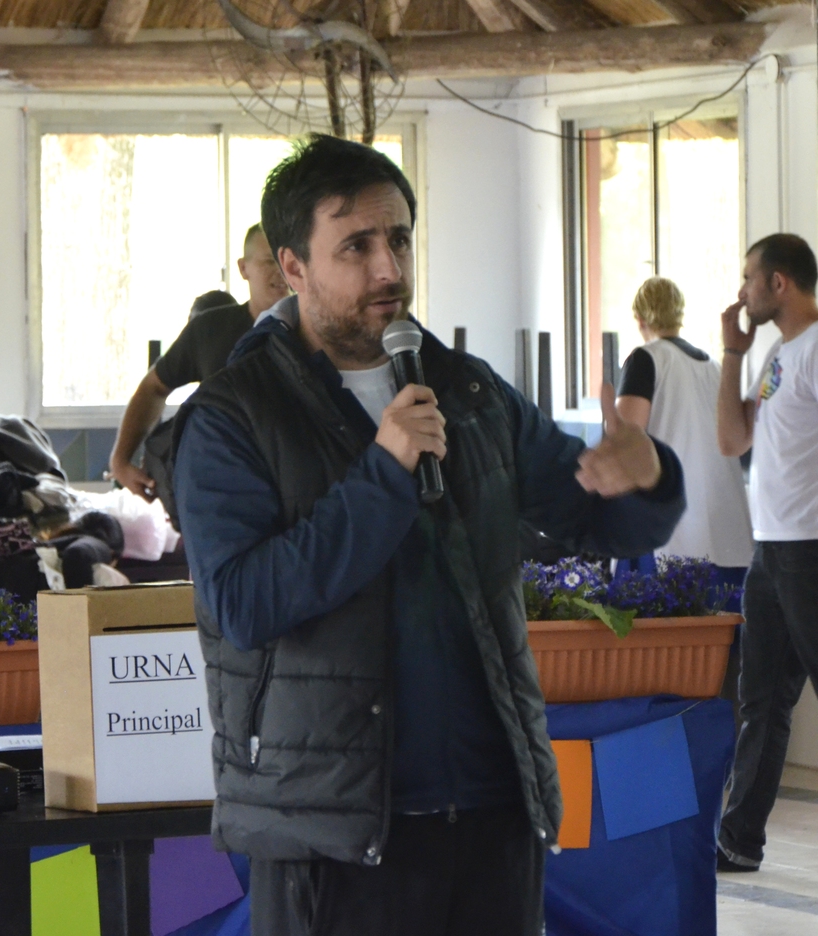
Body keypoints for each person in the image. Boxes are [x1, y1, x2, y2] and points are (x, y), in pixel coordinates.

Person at [171, 134, 686, 936]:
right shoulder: (233, 416)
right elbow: (243, 603)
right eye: (357, 246)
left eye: (400, 240)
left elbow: (592, 515)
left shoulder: (468, 392)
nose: (390, 269)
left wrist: (646, 476)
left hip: (493, 817)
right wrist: (384, 474)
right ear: (293, 266)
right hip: (337, 836)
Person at [715, 233, 818, 873]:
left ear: (779, 282)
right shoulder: (780, 352)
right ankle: (738, 840)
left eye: (749, 277)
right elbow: (732, 440)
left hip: (810, 549)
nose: (742, 291)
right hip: (772, 550)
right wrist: (733, 353)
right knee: (761, 701)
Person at [108, 224, 289, 498]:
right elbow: (154, 387)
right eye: (269, 261)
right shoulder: (210, 330)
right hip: (217, 491)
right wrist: (120, 461)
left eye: (289, 259)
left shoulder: (317, 332)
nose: (282, 271)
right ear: (243, 268)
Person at [616, 276, 753, 594]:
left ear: (639, 319)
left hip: (668, 529)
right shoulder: (714, 366)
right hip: (727, 530)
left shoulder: (646, 358)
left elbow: (624, 442)